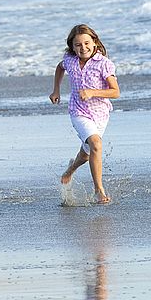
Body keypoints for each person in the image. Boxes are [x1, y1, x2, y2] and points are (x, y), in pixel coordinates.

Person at [50, 24, 120, 204]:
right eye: (78, 45)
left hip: (100, 114)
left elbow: (115, 92)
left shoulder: (104, 64)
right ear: (72, 47)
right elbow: (60, 67)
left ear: (94, 43)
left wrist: (92, 92)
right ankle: (99, 190)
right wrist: (56, 90)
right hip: (78, 111)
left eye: (87, 43)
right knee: (96, 143)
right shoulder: (70, 60)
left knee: (89, 152)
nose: (83, 48)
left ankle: (70, 170)